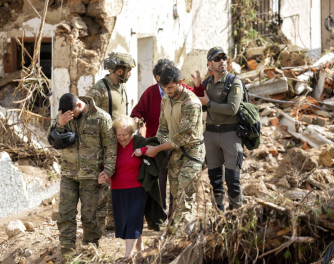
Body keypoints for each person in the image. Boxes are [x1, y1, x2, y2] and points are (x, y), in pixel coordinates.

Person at [130, 59, 205, 214]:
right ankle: (170, 224)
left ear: (179, 82)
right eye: (164, 87)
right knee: (173, 191)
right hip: (171, 151)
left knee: (184, 198)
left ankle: (182, 232)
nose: (167, 91)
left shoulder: (190, 102)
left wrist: (157, 148)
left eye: (170, 87)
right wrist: (158, 145)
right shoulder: (165, 99)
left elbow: (182, 137)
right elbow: (162, 128)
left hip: (191, 153)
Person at [50, 93, 117, 253]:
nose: (68, 117)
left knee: (89, 217)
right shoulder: (64, 116)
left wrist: (107, 171)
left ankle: (90, 251)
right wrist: (60, 124)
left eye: (71, 113)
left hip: (92, 177)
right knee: (65, 214)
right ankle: (67, 251)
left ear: (79, 106)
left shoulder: (101, 118)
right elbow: (52, 139)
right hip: (68, 174)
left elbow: (110, 147)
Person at [103, 115, 166, 258]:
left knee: (133, 219)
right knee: (126, 220)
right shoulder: (113, 145)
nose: (121, 138)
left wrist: (142, 151)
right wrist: (104, 174)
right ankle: (140, 250)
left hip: (138, 189)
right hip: (117, 189)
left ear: (131, 132)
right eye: (118, 134)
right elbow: (106, 162)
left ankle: (127, 255)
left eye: (124, 134)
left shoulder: (139, 141)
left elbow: (159, 151)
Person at [88, 52, 137, 232]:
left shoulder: (122, 87)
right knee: (103, 184)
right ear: (118, 70)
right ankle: (98, 225)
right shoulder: (99, 89)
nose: (130, 74)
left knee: (118, 180)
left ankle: (113, 219)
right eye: (128, 70)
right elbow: (89, 117)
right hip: (104, 144)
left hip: (120, 141)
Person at [199, 46, 244, 211]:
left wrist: (209, 103)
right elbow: (199, 105)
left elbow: (232, 108)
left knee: (233, 178)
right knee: (215, 178)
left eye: (224, 58)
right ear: (209, 64)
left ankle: (236, 213)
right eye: (217, 59)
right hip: (210, 134)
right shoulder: (207, 84)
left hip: (230, 134)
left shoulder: (234, 82)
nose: (222, 61)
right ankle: (219, 214)